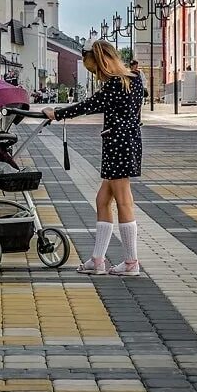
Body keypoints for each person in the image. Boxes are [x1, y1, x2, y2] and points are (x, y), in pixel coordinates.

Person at [43, 40, 145, 276]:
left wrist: (56, 114)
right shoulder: (135, 80)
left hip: (118, 145)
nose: (96, 75)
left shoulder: (116, 84)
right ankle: (97, 260)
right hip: (126, 143)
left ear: (102, 62)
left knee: (123, 202)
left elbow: (88, 105)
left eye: (95, 70)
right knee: (102, 200)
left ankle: (131, 262)